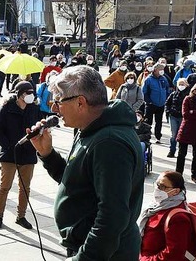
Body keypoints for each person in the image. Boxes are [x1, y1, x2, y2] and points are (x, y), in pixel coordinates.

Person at [30, 66, 144, 259]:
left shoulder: (109, 142)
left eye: (58, 101)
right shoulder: (91, 129)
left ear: (80, 103)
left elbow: (112, 217)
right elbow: (78, 182)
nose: (53, 109)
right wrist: (48, 154)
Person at [0, 81, 40, 230]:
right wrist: (8, 145)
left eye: (32, 92)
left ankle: (21, 216)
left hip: (28, 154)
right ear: (19, 94)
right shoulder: (7, 108)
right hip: (10, 154)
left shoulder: (34, 109)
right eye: (27, 93)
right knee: (4, 187)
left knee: (25, 188)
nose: (30, 96)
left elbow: (39, 126)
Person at [138, 171, 196, 260]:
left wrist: (146, 260)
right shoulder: (159, 205)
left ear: (175, 191)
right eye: (157, 184)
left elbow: (174, 253)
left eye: (162, 187)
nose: (157, 189)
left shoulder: (178, 218)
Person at [142, 63, 171, 144]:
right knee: (148, 121)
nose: (162, 71)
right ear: (155, 70)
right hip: (151, 104)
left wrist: (166, 99)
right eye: (160, 69)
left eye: (163, 69)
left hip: (161, 104)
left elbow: (167, 89)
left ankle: (158, 137)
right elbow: (144, 92)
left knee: (159, 121)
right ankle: (146, 137)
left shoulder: (163, 78)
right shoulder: (148, 79)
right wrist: (149, 101)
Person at [164, 78, 190, 158]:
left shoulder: (188, 96)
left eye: (183, 84)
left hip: (183, 117)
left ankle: (181, 152)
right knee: (173, 135)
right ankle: (172, 151)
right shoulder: (173, 94)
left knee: (182, 135)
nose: (181, 86)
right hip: (173, 117)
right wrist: (168, 111)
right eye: (180, 84)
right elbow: (167, 104)